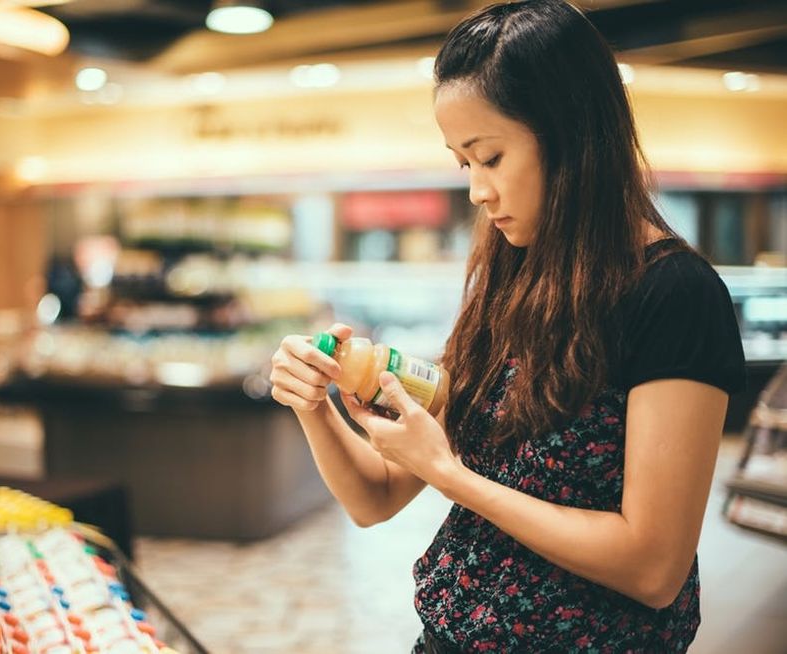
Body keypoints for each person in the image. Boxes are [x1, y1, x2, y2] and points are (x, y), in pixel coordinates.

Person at [268, 1, 747, 651]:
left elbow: (653, 567)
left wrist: (453, 476)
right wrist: (317, 404)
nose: (477, 191)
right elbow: (375, 497)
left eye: (489, 156)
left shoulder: (674, 295)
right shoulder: (510, 285)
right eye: (464, 163)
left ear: (572, 134)